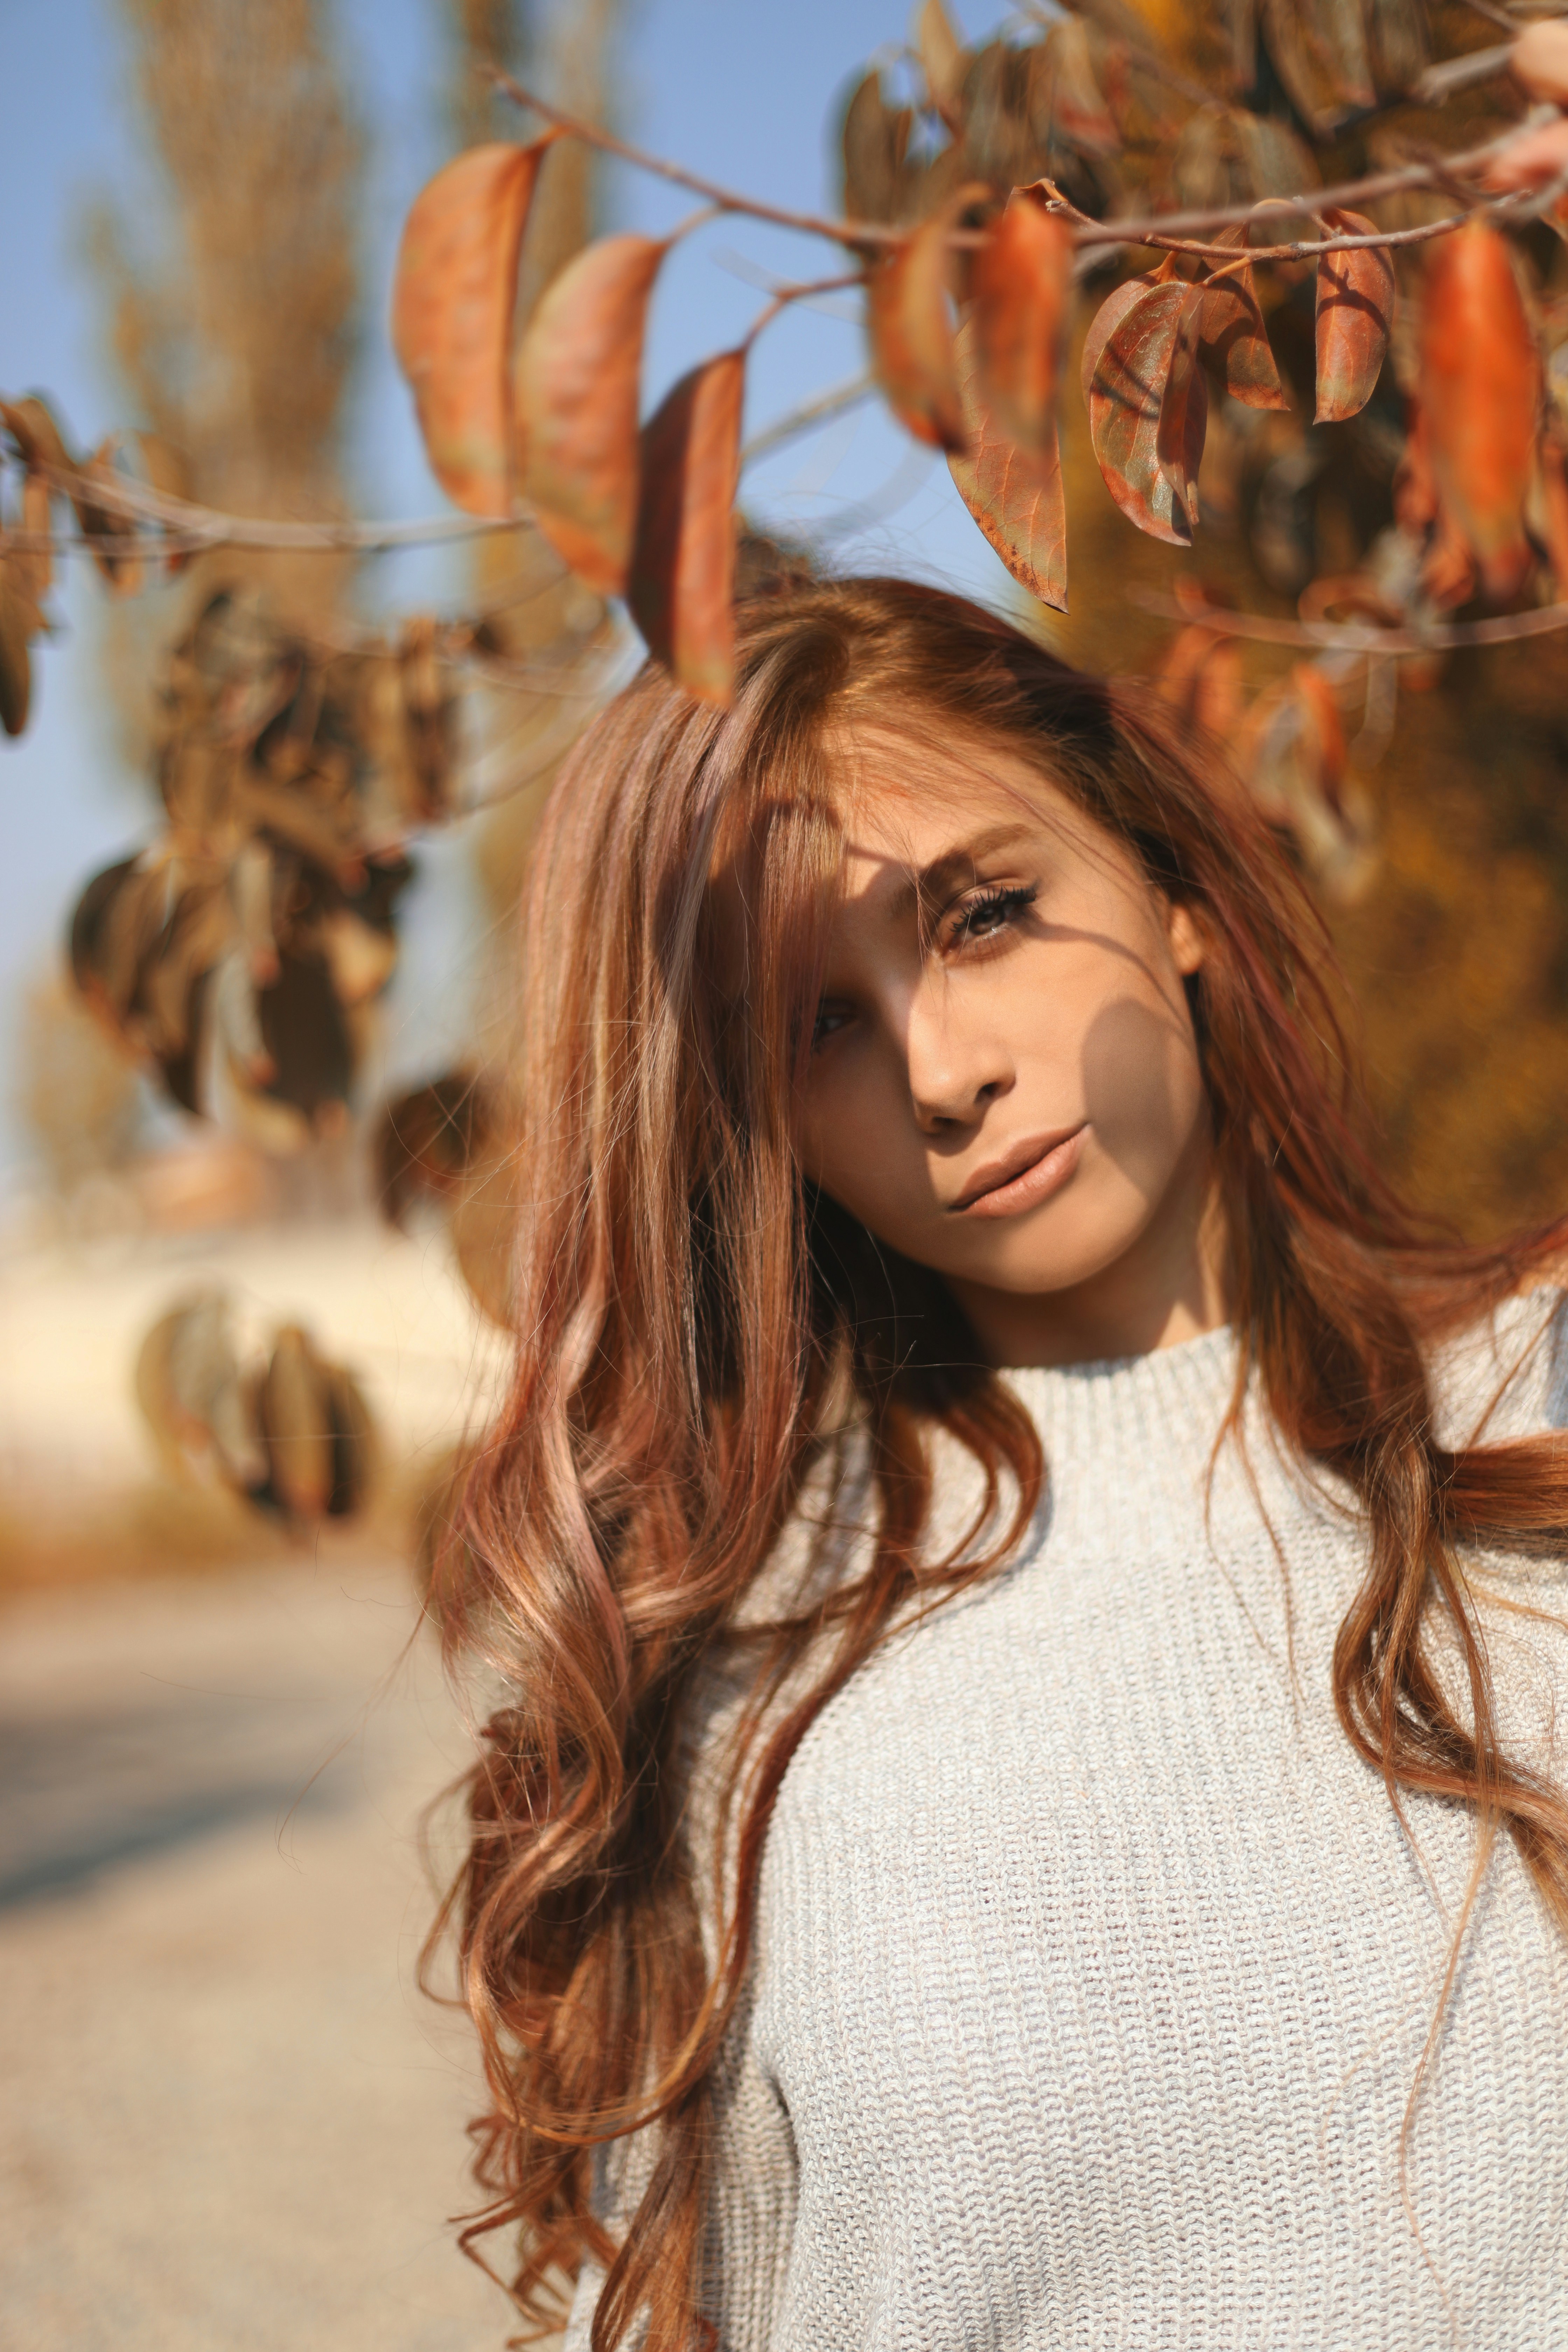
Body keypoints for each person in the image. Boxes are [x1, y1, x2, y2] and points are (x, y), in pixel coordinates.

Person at [431, 577, 1568, 2351]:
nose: (943, 1070)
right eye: (816, 1025)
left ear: (1164, 883)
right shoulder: (739, 1675)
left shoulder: (1535, 1420)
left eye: (982, 915)